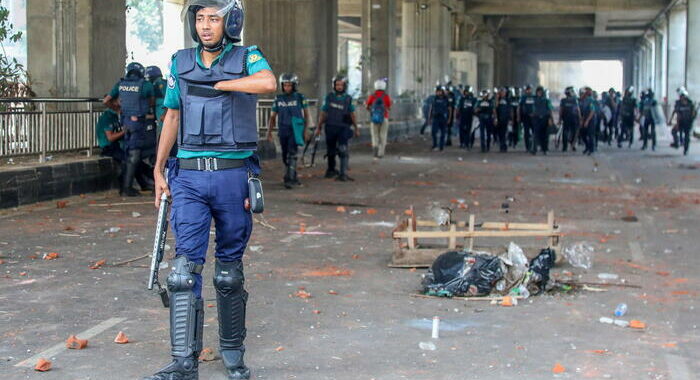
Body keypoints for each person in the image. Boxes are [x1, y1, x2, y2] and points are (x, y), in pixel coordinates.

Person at [147, 0, 276, 379]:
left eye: (214, 18)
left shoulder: (247, 56)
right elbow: (172, 114)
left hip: (232, 175)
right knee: (183, 271)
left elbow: (267, 82)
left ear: (230, 22)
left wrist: (219, 83)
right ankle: (184, 362)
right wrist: (158, 169)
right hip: (187, 176)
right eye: (200, 18)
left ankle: (233, 354)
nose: (206, 26)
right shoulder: (180, 61)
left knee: (228, 272)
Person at [103, 62, 156, 196]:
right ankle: (126, 188)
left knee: (129, 153)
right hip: (138, 123)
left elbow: (106, 101)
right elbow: (153, 101)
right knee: (135, 155)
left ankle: (127, 187)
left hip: (126, 122)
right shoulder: (146, 85)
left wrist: (118, 109)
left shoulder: (120, 85)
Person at [267, 73, 309, 188]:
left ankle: (289, 179)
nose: (287, 88)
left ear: (294, 85)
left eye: (289, 85)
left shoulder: (300, 97)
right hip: (283, 129)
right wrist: (269, 132)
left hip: (295, 130)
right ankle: (292, 176)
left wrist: (306, 130)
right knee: (285, 156)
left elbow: (306, 115)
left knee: (292, 154)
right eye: (285, 85)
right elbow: (272, 116)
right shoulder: (278, 99)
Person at [315, 75, 359, 181]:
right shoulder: (329, 97)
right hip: (330, 127)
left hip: (343, 127)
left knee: (343, 149)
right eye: (337, 85)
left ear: (345, 86)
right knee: (331, 150)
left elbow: (352, 114)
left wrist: (356, 127)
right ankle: (331, 170)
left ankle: (343, 173)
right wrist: (319, 127)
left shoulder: (348, 99)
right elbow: (323, 112)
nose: (339, 87)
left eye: (341, 85)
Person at [366, 78, 392, 159]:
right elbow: (389, 107)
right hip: (384, 118)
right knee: (383, 135)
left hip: (374, 118)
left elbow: (367, 106)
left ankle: (375, 151)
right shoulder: (386, 96)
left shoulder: (372, 96)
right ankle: (381, 153)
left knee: (375, 135)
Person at [668, 87, 697, 155]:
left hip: (688, 122)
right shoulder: (678, 103)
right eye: (681, 96)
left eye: (683, 96)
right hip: (680, 122)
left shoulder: (690, 104)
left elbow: (694, 113)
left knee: (687, 136)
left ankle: (686, 150)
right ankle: (676, 143)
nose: (682, 98)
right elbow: (676, 113)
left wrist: (692, 118)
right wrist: (672, 121)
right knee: (674, 131)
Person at [428, 85, 452, 152]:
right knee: (433, 132)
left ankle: (441, 146)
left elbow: (450, 109)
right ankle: (435, 145)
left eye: (439, 91)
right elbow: (431, 108)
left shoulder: (446, 99)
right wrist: (429, 117)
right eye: (437, 91)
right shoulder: (434, 98)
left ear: (442, 91)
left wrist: (449, 118)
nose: (438, 92)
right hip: (435, 117)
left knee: (443, 133)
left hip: (443, 117)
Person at [531, 86, 554, 155]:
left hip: (545, 119)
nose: (539, 93)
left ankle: (545, 149)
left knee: (545, 135)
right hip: (536, 119)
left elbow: (550, 110)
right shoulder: (534, 99)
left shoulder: (547, 100)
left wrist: (550, 119)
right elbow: (532, 108)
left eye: (540, 91)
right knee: (536, 135)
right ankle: (534, 149)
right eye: (538, 91)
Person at [559, 86, 581, 152]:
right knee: (573, 132)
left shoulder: (563, 100)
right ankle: (572, 145)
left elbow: (561, 110)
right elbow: (578, 110)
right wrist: (580, 118)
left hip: (566, 118)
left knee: (565, 132)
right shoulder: (575, 100)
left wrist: (560, 119)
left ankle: (565, 147)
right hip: (573, 118)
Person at [579, 87, 596, 155]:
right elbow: (583, 111)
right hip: (585, 119)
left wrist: (587, 121)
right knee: (582, 133)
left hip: (591, 120)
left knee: (590, 135)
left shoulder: (590, 100)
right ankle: (587, 147)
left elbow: (592, 111)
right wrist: (582, 120)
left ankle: (591, 150)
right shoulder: (583, 101)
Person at [495, 87, 513, 152]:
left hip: (505, 118)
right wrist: (497, 98)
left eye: (503, 92)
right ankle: (501, 145)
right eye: (501, 92)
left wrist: (510, 119)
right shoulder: (498, 100)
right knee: (500, 133)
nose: (502, 93)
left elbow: (510, 110)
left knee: (504, 132)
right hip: (499, 118)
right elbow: (496, 107)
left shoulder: (508, 100)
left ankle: (504, 145)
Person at [520, 85, 536, 152]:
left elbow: (537, 106)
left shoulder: (534, 97)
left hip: (534, 117)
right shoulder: (523, 98)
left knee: (534, 132)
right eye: (527, 89)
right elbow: (521, 107)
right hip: (525, 117)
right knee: (526, 133)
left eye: (529, 89)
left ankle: (534, 146)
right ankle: (527, 147)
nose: (528, 91)